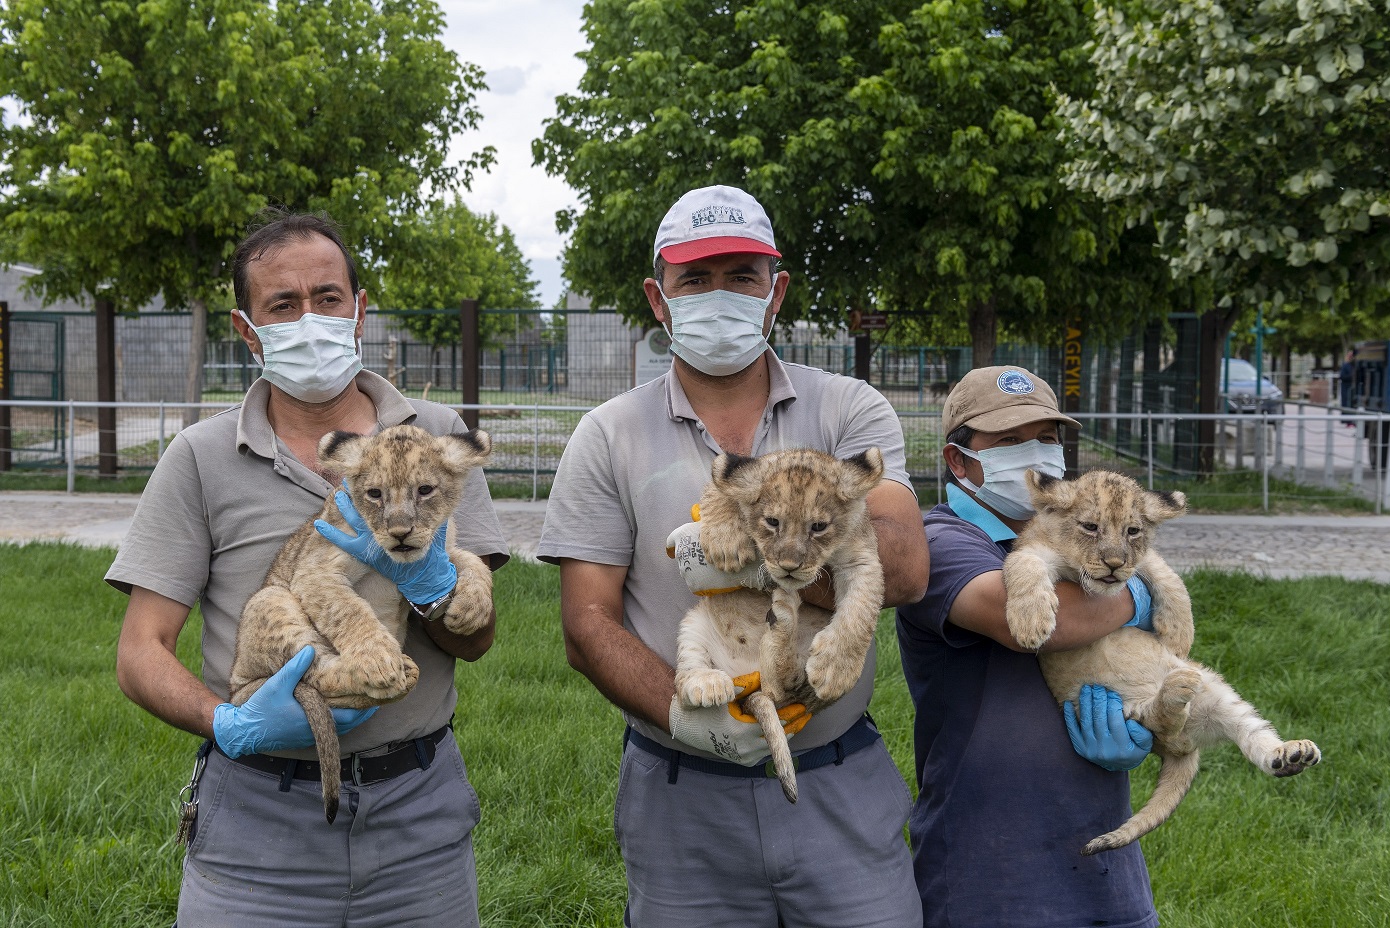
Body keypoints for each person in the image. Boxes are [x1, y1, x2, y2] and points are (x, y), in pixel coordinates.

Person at [536, 184, 930, 927]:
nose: (720, 296)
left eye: (742, 276)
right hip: (681, 793)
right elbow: (587, 626)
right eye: (696, 279)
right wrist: (687, 720)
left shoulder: (849, 408)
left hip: (835, 780)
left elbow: (905, 568)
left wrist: (755, 557)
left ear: (776, 291)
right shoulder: (609, 434)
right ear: (660, 298)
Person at [107, 210, 508, 927]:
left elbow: (475, 643)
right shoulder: (199, 457)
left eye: (327, 297)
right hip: (259, 818)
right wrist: (229, 723)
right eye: (282, 305)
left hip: (417, 810)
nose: (309, 318)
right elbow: (140, 652)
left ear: (357, 311)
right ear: (246, 329)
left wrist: (436, 588)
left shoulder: (438, 437)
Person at [896, 365, 1160, 928]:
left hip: (1104, 854)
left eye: (1046, 437)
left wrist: (1152, 725)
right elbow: (1036, 623)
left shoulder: (1084, 543)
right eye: (1010, 441)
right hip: (988, 868)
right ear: (959, 461)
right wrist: (1142, 588)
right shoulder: (938, 541)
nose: (1036, 455)